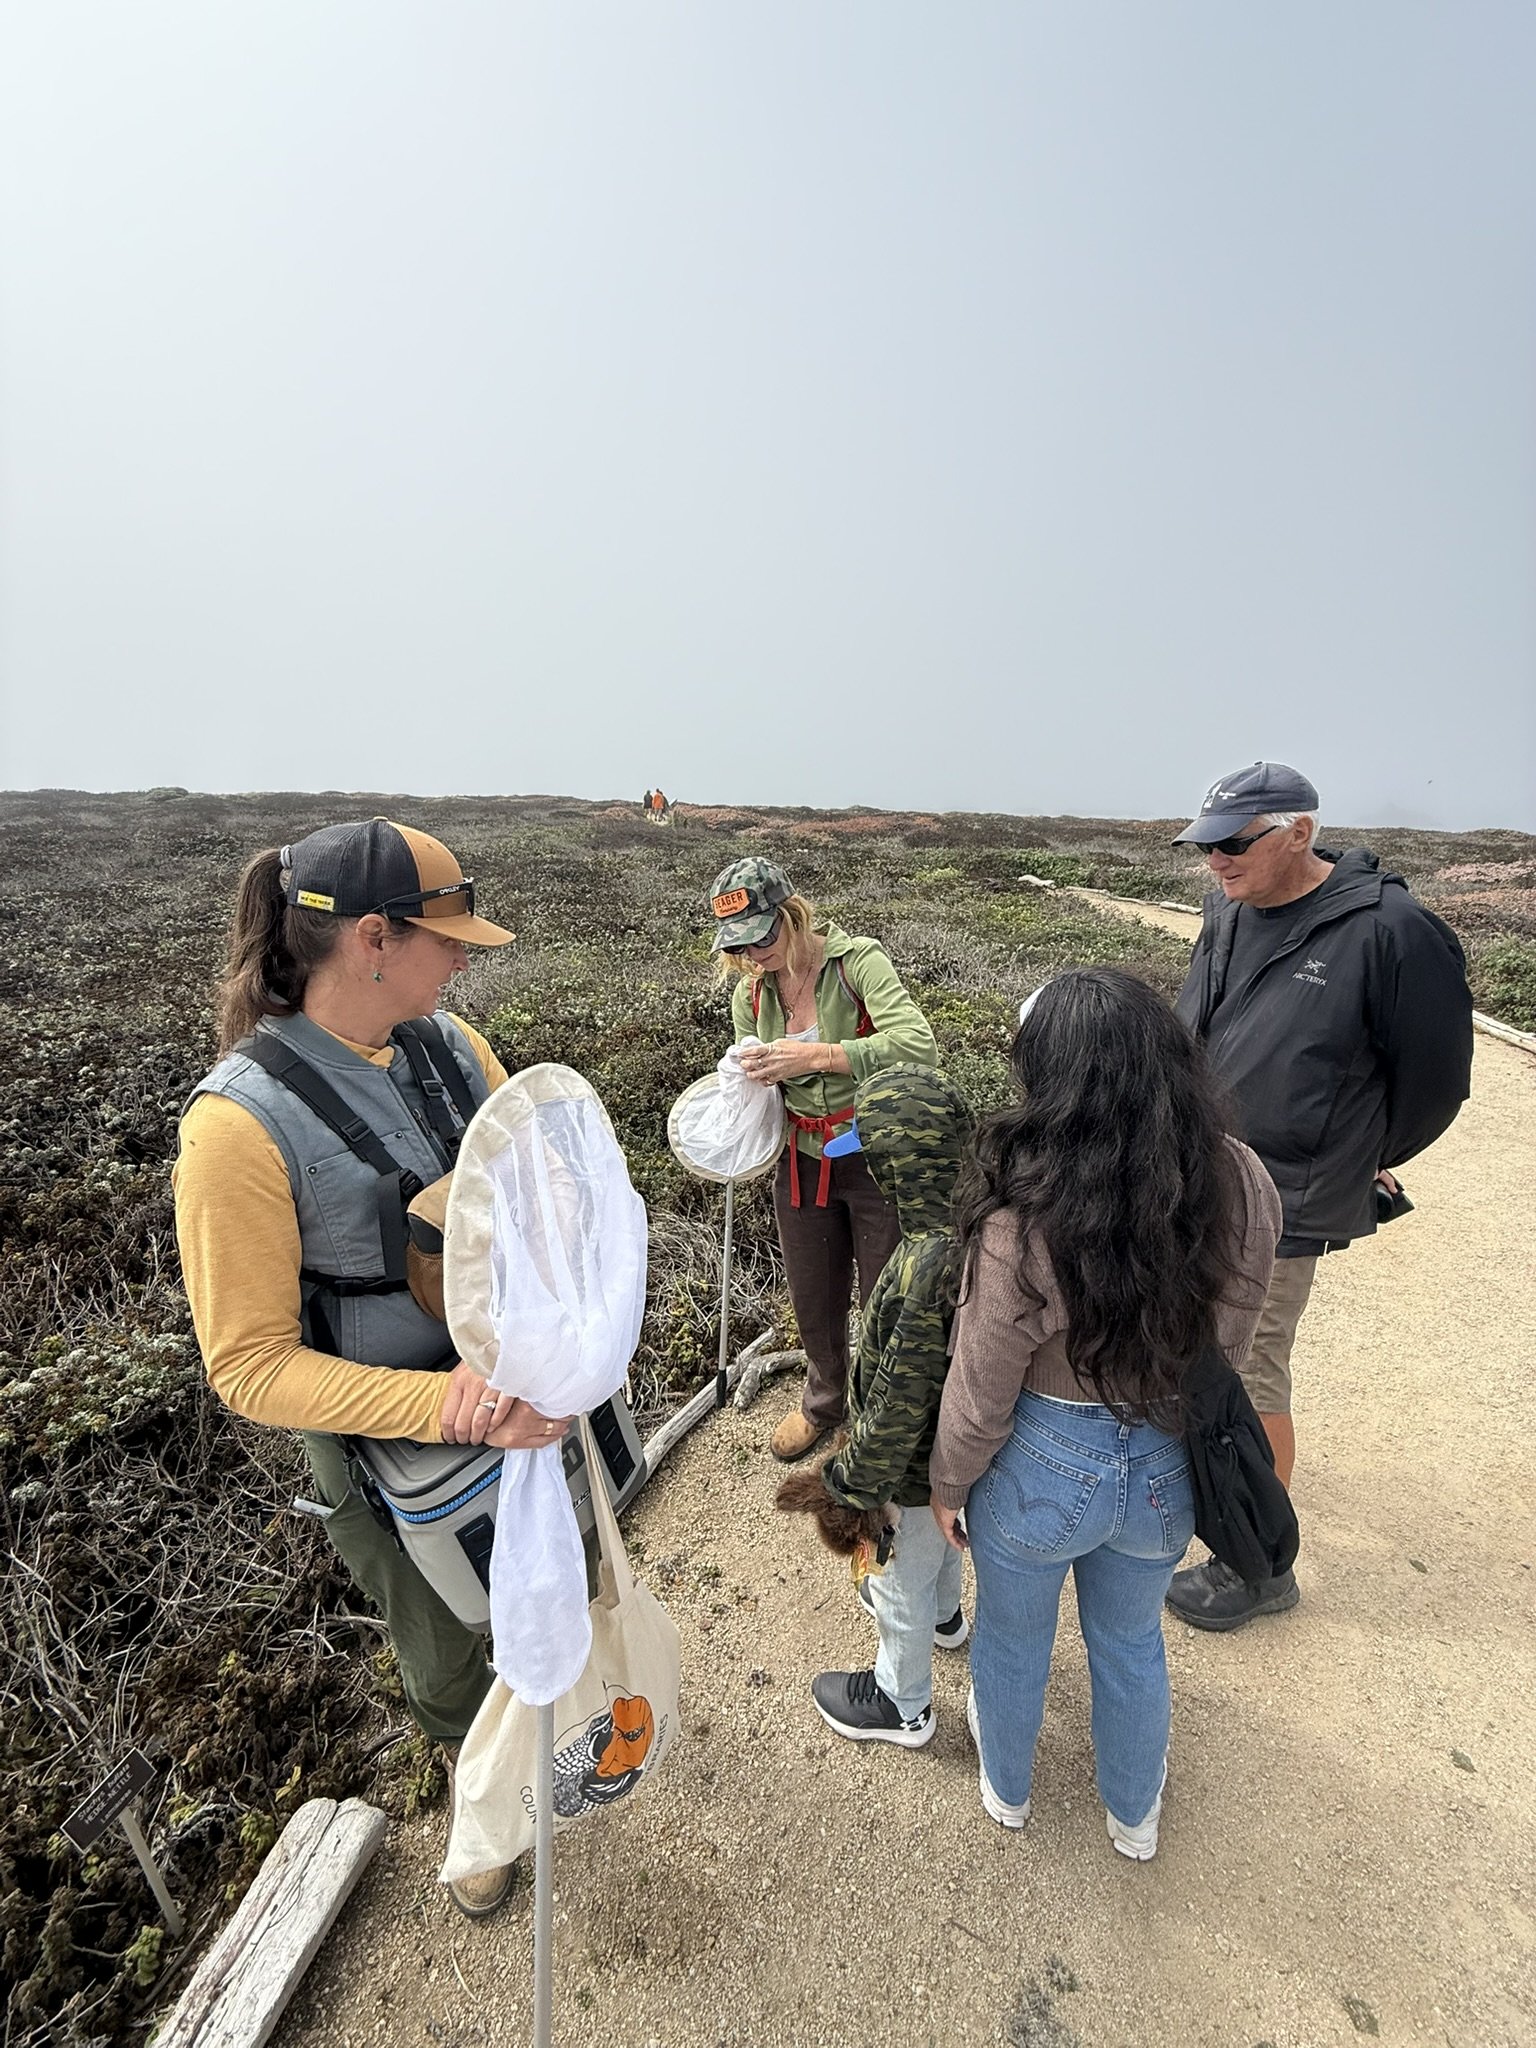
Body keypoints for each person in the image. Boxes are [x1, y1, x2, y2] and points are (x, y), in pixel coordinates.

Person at [173, 817, 568, 1920]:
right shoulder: (235, 1129)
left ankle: (560, 1732)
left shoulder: (451, 1044)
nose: (467, 958)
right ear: (372, 940)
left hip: (515, 1395)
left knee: (543, 1579)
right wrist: (444, 1403)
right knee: (447, 1644)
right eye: (449, 939)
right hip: (393, 1452)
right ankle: (481, 1806)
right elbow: (249, 1367)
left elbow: (524, 1178)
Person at [930, 969, 1280, 1860]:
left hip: (1044, 1461)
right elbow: (1231, 1345)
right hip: (1166, 1457)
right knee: (1130, 1643)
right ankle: (1135, 1818)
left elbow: (982, 1386)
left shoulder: (1023, 1213)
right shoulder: (1241, 1181)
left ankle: (1008, 1793)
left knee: (1012, 1641)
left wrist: (949, 1484)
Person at [1165, 761, 1473, 1631]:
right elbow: (1197, 1021)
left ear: (1299, 832)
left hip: (1288, 1196)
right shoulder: (1226, 905)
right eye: (1205, 846)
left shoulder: (1393, 930)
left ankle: (1257, 1565)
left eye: (1233, 844)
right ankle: (1203, 1491)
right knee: (1197, 1345)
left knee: (1252, 1368)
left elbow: (1436, 1081)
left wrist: (1360, 1155)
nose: (1215, 862)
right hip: (1196, 1172)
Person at [708, 857, 939, 1460]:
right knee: (813, 1294)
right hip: (800, 1158)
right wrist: (746, 1076)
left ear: (791, 913)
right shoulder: (750, 994)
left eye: (763, 935)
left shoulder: (856, 961)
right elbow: (755, 1073)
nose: (755, 953)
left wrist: (814, 1058)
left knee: (886, 1292)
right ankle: (824, 1401)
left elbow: (918, 1045)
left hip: (873, 1155)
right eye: (741, 945)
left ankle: (879, 1413)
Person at [775, 1066, 973, 1747]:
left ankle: (902, 1702)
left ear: (898, 1167)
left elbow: (898, 1399)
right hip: (951, 1462)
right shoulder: (967, 1232)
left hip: (908, 1471)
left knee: (895, 1579)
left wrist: (852, 1482)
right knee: (939, 1554)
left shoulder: (924, 1263)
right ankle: (947, 1618)